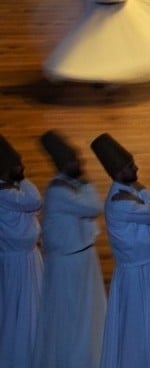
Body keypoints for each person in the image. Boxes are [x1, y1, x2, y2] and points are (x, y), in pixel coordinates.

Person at [90, 132, 150, 368]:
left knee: (148, 321)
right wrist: (143, 194)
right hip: (137, 273)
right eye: (130, 166)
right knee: (139, 324)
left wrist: (140, 191)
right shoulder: (121, 202)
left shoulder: (128, 192)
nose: (136, 167)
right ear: (119, 172)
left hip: (145, 267)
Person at [34, 131, 106, 368]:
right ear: (63, 165)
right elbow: (94, 206)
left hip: (82, 259)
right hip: (69, 264)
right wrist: (86, 181)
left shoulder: (70, 184)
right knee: (72, 317)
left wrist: (82, 182)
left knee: (89, 314)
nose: (80, 164)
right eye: (73, 161)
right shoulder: (58, 191)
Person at [0, 133, 42, 368]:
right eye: (19, 165)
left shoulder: (9, 190)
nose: (23, 167)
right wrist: (23, 179)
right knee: (22, 307)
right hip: (18, 262)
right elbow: (35, 201)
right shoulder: (8, 193)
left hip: (23, 257)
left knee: (20, 306)